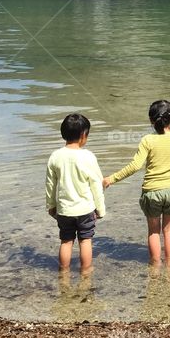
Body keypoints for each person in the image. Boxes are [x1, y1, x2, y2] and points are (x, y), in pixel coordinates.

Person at [103, 100, 170, 263]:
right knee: (169, 231)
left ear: (151, 120)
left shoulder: (147, 140)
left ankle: (155, 267)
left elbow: (135, 166)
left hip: (152, 192)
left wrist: (111, 179)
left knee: (154, 232)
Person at [45, 113, 106, 272]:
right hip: (85, 209)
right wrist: (100, 209)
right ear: (83, 135)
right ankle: (86, 272)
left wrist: (51, 205)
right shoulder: (88, 156)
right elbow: (97, 185)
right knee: (85, 241)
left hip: (64, 210)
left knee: (66, 241)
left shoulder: (55, 156)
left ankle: (63, 273)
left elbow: (50, 184)